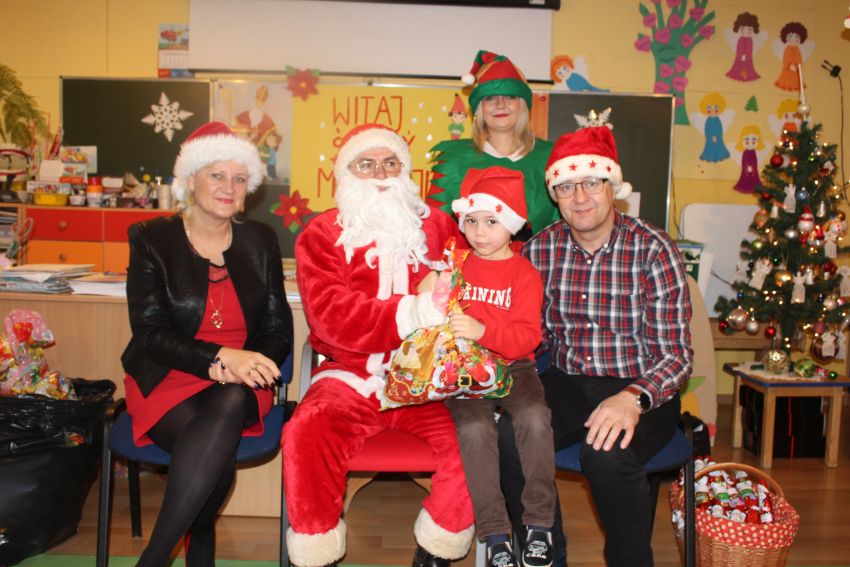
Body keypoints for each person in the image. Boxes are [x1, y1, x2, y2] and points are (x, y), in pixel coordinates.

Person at [282, 123, 475, 567]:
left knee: (475, 440)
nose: (381, 174)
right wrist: (413, 311)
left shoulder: (438, 225)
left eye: (391, 163)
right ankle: (317, 553)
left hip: (426, 378)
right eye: (366, 164)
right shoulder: (321, 233)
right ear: (345, 174)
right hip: (348, 375)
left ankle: (436, 551)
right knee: (305, 433)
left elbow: (472, 286)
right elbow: (330, 317)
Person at [500, 126, 693, 567]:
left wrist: (632, 398)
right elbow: (529, 335)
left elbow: (676, 355)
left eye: (591, 182)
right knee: (510, 436)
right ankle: (546, 557)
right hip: (566, 379)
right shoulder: (539, 251)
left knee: (605, 454)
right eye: (566, 187)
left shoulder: (653, 248)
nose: (580, 197)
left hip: (642, 385)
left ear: (612, 187)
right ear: (555, 195)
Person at [121, 121, 293, 566]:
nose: (228, 187)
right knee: (213, 449)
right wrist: (219, 358)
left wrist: (249, 364)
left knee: (229, 403)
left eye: (239, 179)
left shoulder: (260, 240)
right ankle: (199, 544)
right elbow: (150, 333)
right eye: (216, 175)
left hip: (240, 381)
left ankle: (154, 558)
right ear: (190, 179)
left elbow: (278, 327)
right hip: (168, 376)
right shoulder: (151, 239)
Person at [441, 167, 556, 567]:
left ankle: (539, 523)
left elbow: (528, 337)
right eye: (471, 221)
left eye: (492, 221)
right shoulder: (456, 265)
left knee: (535, 418)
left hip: (515, 367)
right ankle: (494, 534)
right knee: (474, 430)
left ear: (512, 225)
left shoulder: (524, 273)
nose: (479, 231)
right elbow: (434, 310)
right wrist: (430, 291)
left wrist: (483, 330)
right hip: (464, 368)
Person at [428, 50, 559, 237]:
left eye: (510, 96)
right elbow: (434, 231)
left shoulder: (552, 158)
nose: (500, 104)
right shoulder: (453, 161)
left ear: (523, 105)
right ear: (479, 108)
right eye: (490, 98)